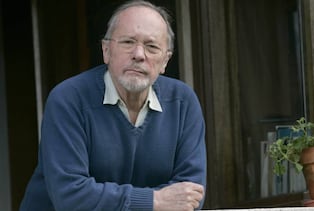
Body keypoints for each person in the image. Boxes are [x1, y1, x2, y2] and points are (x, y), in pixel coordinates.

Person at [20, 0, 207, 210]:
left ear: (165, 61)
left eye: (151, 46)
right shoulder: (68, 100)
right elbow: (71, 196)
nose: (138, 54)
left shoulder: (183, 102)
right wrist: (155, 201)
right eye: (128, 42)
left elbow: (190, 196)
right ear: (106, 50)